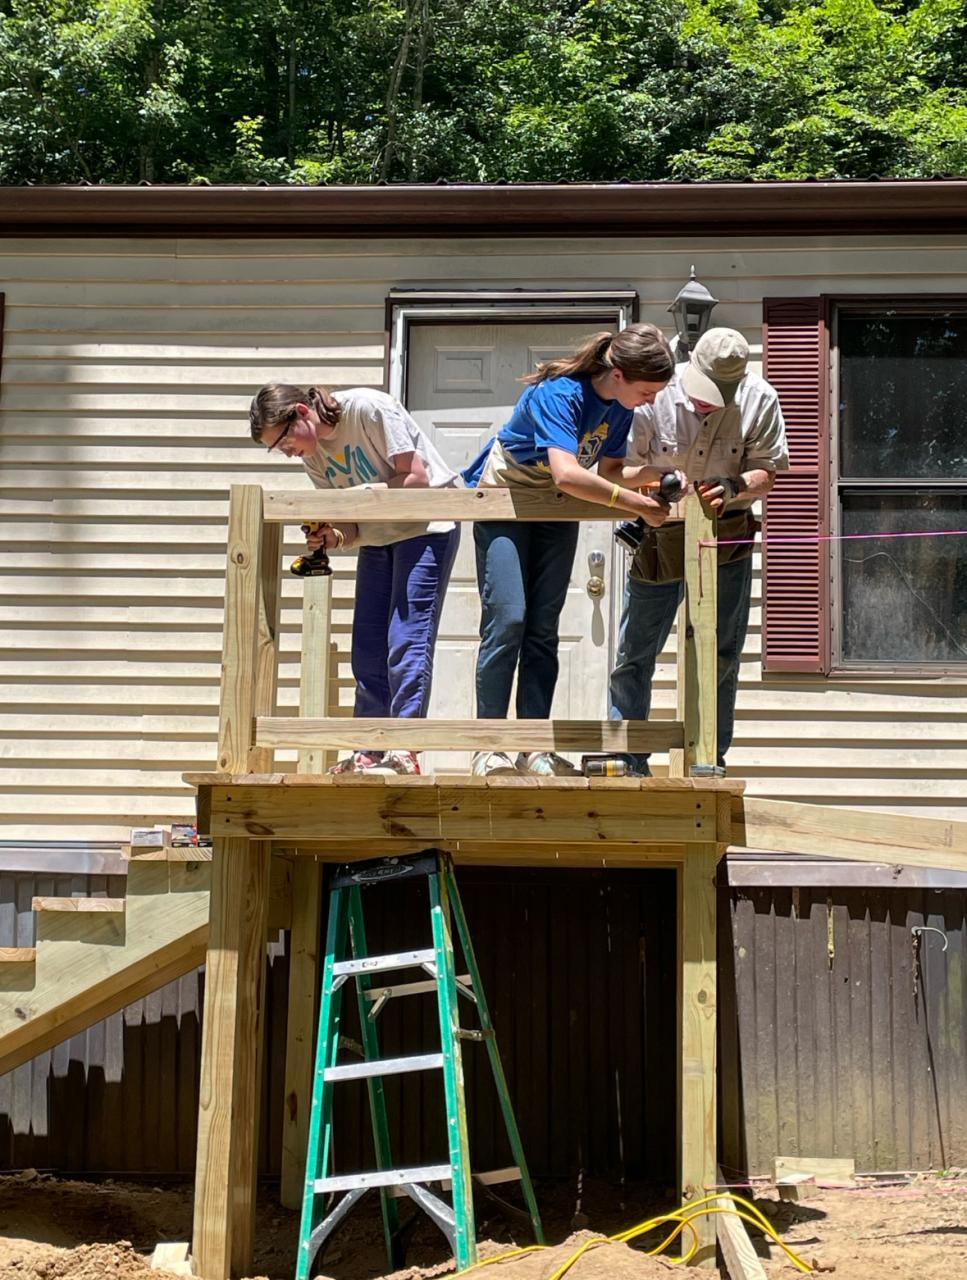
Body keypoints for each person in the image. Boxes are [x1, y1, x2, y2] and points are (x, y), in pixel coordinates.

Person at [462, 324, 678, 777]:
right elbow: (566, 472)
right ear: (618, 374)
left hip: (557, 506)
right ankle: (489, 746)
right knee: (509, 619)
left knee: (543, 627)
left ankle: (533, 747)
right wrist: (635, 505)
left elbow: (611, 472)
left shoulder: (621, 407)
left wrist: (655, 476)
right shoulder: (560, 394)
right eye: (647, 391)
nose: (650, 401)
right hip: (507, 498)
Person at [249, 383, 461, 775]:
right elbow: (352, 523)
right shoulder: (313, 457)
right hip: (379, 537)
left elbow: (416, 479)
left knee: (406, 638)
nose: (287, 452)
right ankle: (370, 748)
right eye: (276, 449)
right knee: (367, 648)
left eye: (283, 441)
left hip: (425, 527)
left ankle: (404, 749)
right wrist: (334, 535)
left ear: (302, 412)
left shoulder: (368, 409)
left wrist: (358, 496)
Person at [608, 327, 789, 774]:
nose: (709, 403)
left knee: (721, 652)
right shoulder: (656, 395)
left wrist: (734, 486)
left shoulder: (760, 398)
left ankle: (708, 760)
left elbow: (768, 471)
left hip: (726, 534)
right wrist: (657, 481)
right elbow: (619, 469)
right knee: (635, 650)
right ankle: (627, 758)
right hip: (659, 532)